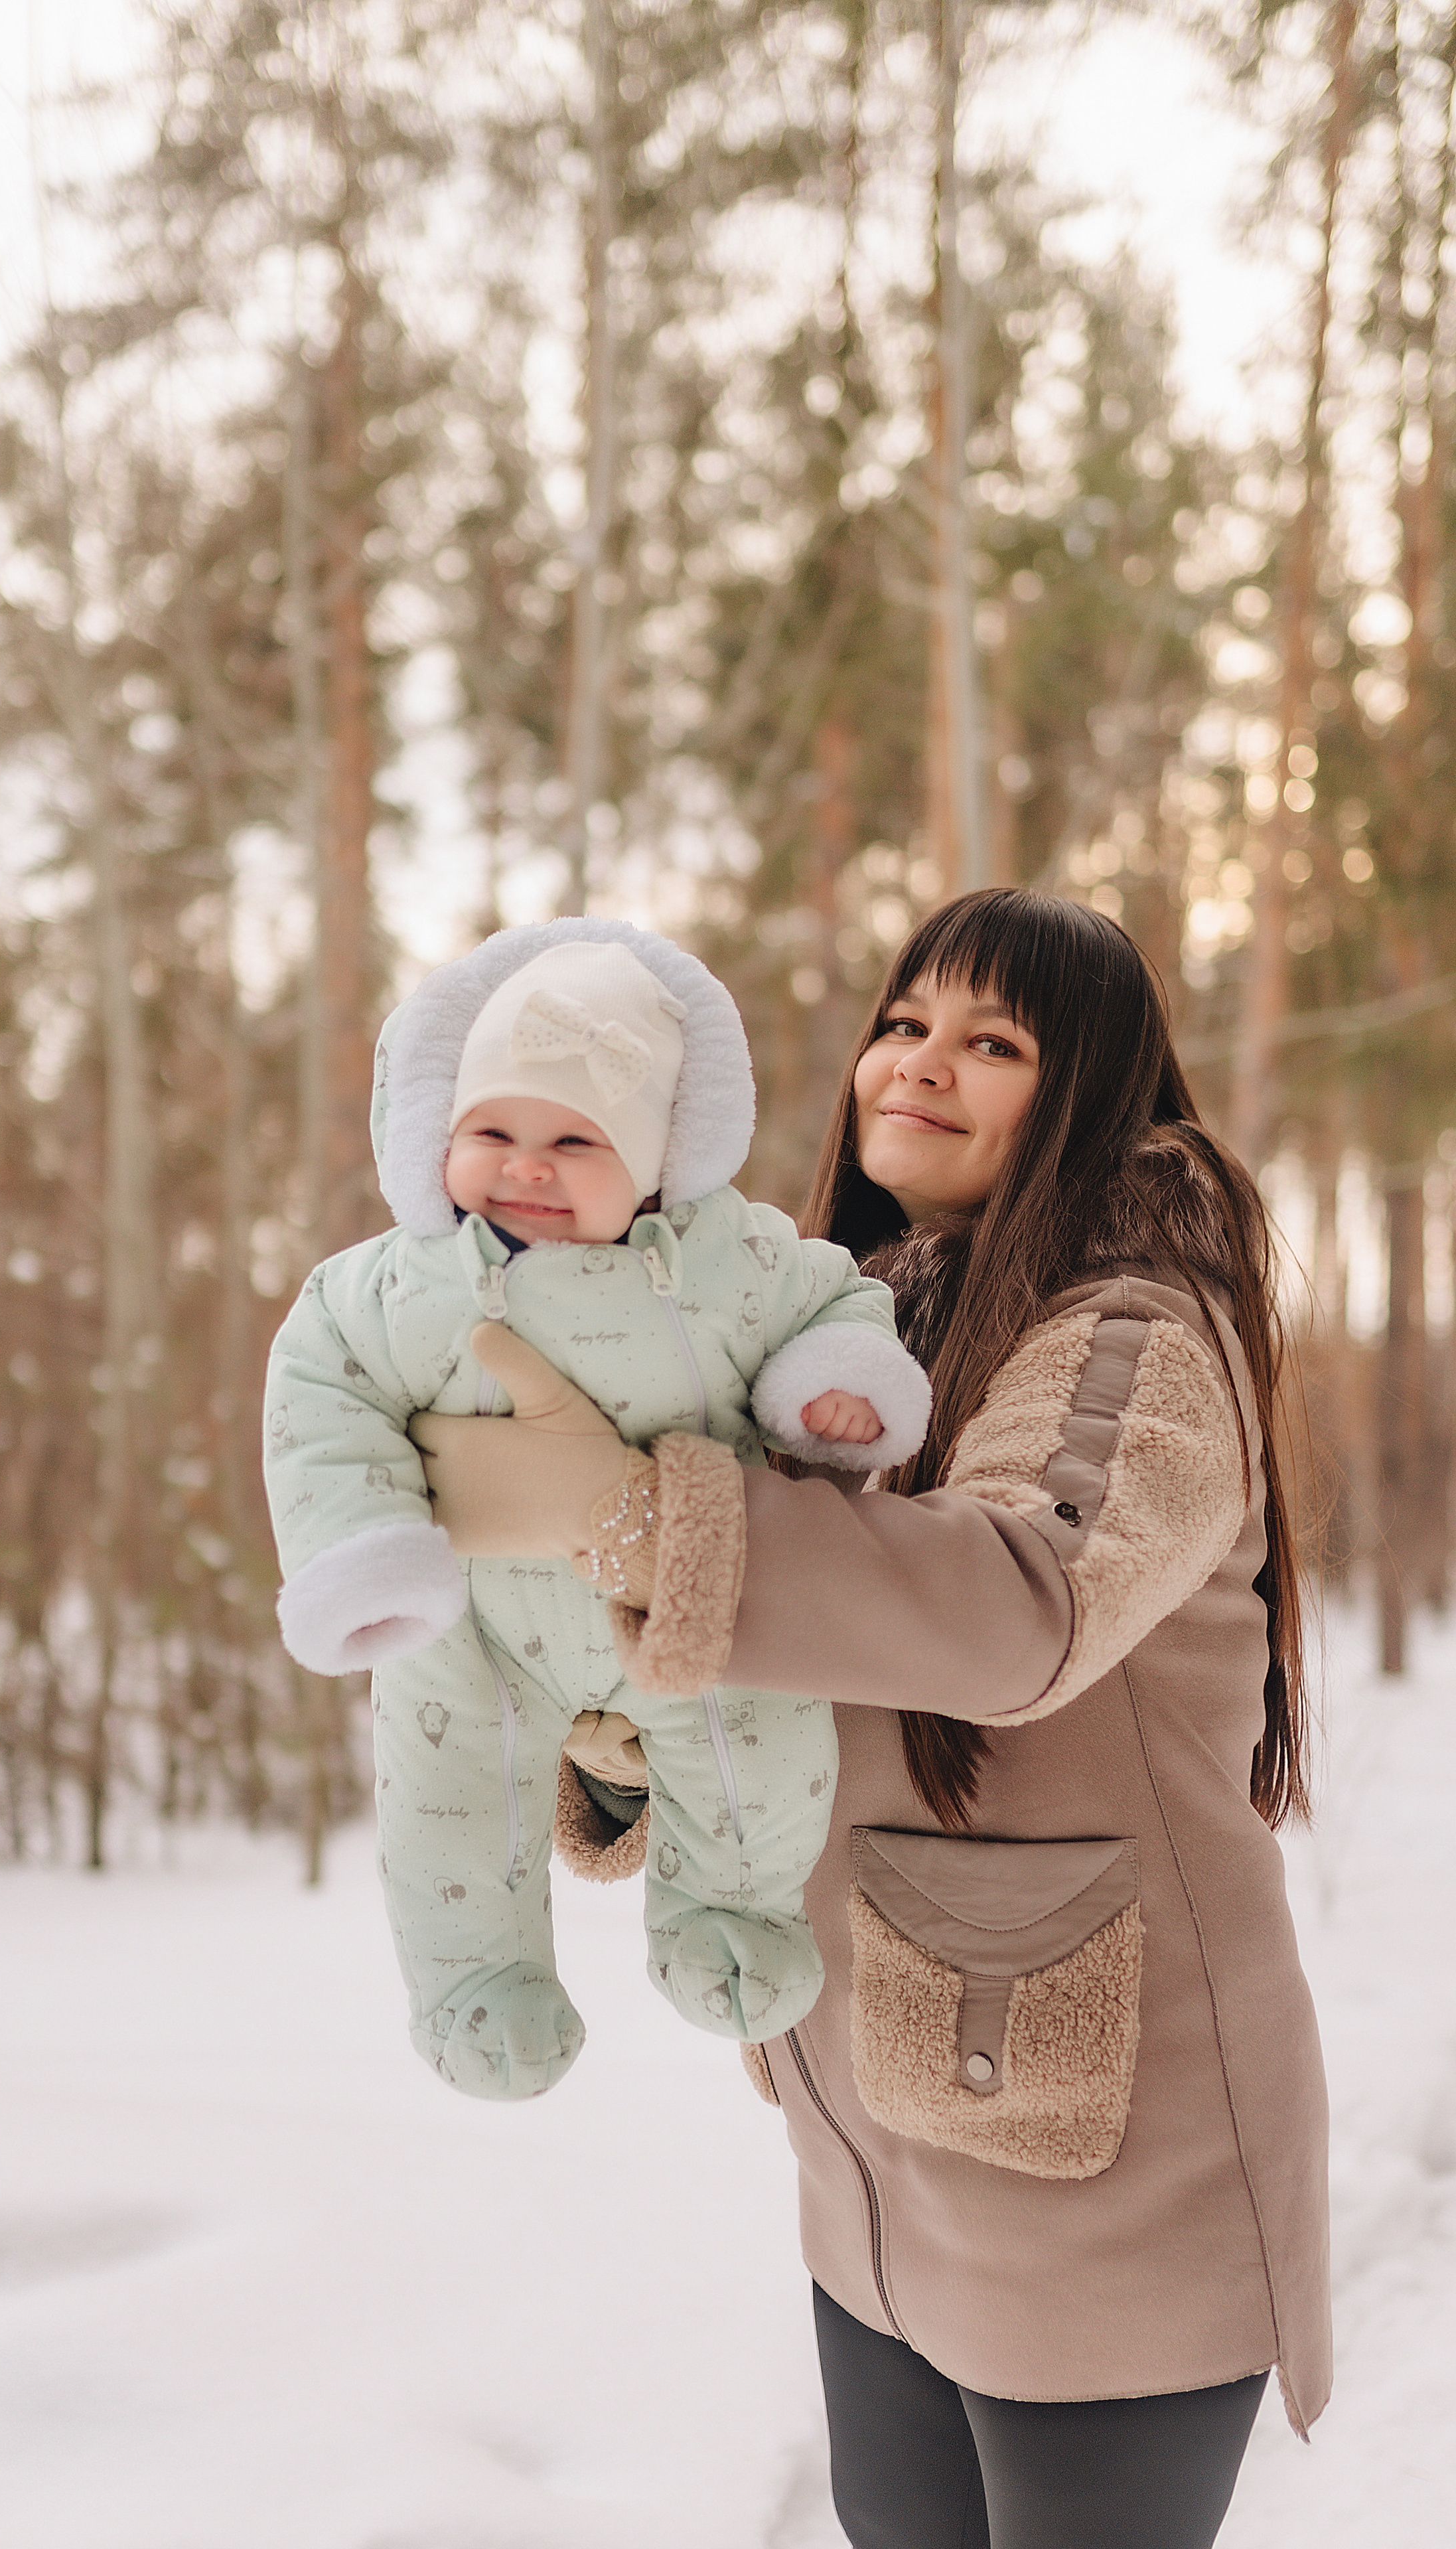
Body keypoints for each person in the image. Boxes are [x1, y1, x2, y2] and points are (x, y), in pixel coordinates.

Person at [413, 889, 1330, 2548]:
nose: (918, 1064)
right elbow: (782, 1645)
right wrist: (622, 1738)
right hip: (881, 2137)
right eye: (903, 1022)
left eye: (994, 1042)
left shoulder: (1137, 1326)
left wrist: (630, 1515)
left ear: (1093, 1095)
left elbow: (1014, 1604)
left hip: (1109, 2164)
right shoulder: (860, 1315)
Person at [263, 920, 931, 2102]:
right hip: (470, 1625)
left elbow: (833, 1296)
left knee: (759, 1746)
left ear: (661, 1158)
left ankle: (732, 1917)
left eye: (575, 1139)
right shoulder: (393, 1281)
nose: (527, 1166)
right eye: (492, 1133)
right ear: (439, 1135)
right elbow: (320, 1387)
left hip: (680, 1607)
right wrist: (361, 1545)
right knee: (449, 1803)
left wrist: (830, 1383)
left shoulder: (725, 1257)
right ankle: (477, 1984)